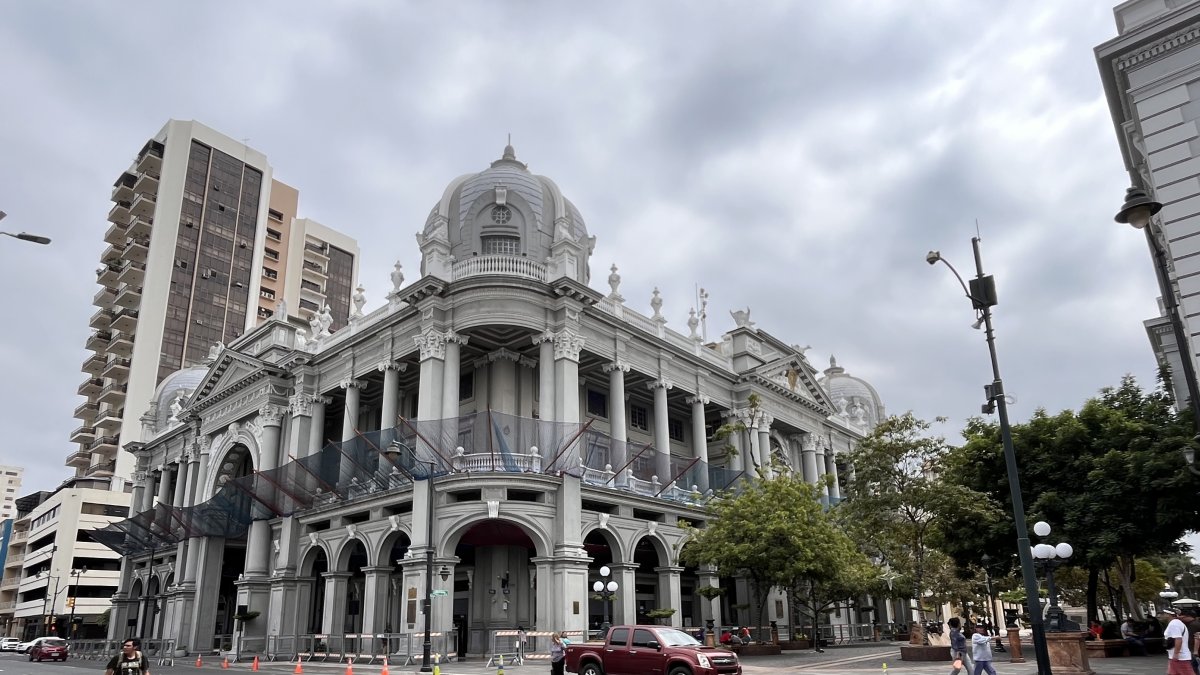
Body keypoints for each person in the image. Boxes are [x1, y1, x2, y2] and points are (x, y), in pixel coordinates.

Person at [1163, 608, 1194, 675]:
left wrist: (1176, 654)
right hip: (1178, 656)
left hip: (1180, 657)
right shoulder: (1176, 623)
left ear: (1169, 615)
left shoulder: (1174, 624)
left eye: (1165, 613)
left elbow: (1178, 639)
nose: (1163, 615)